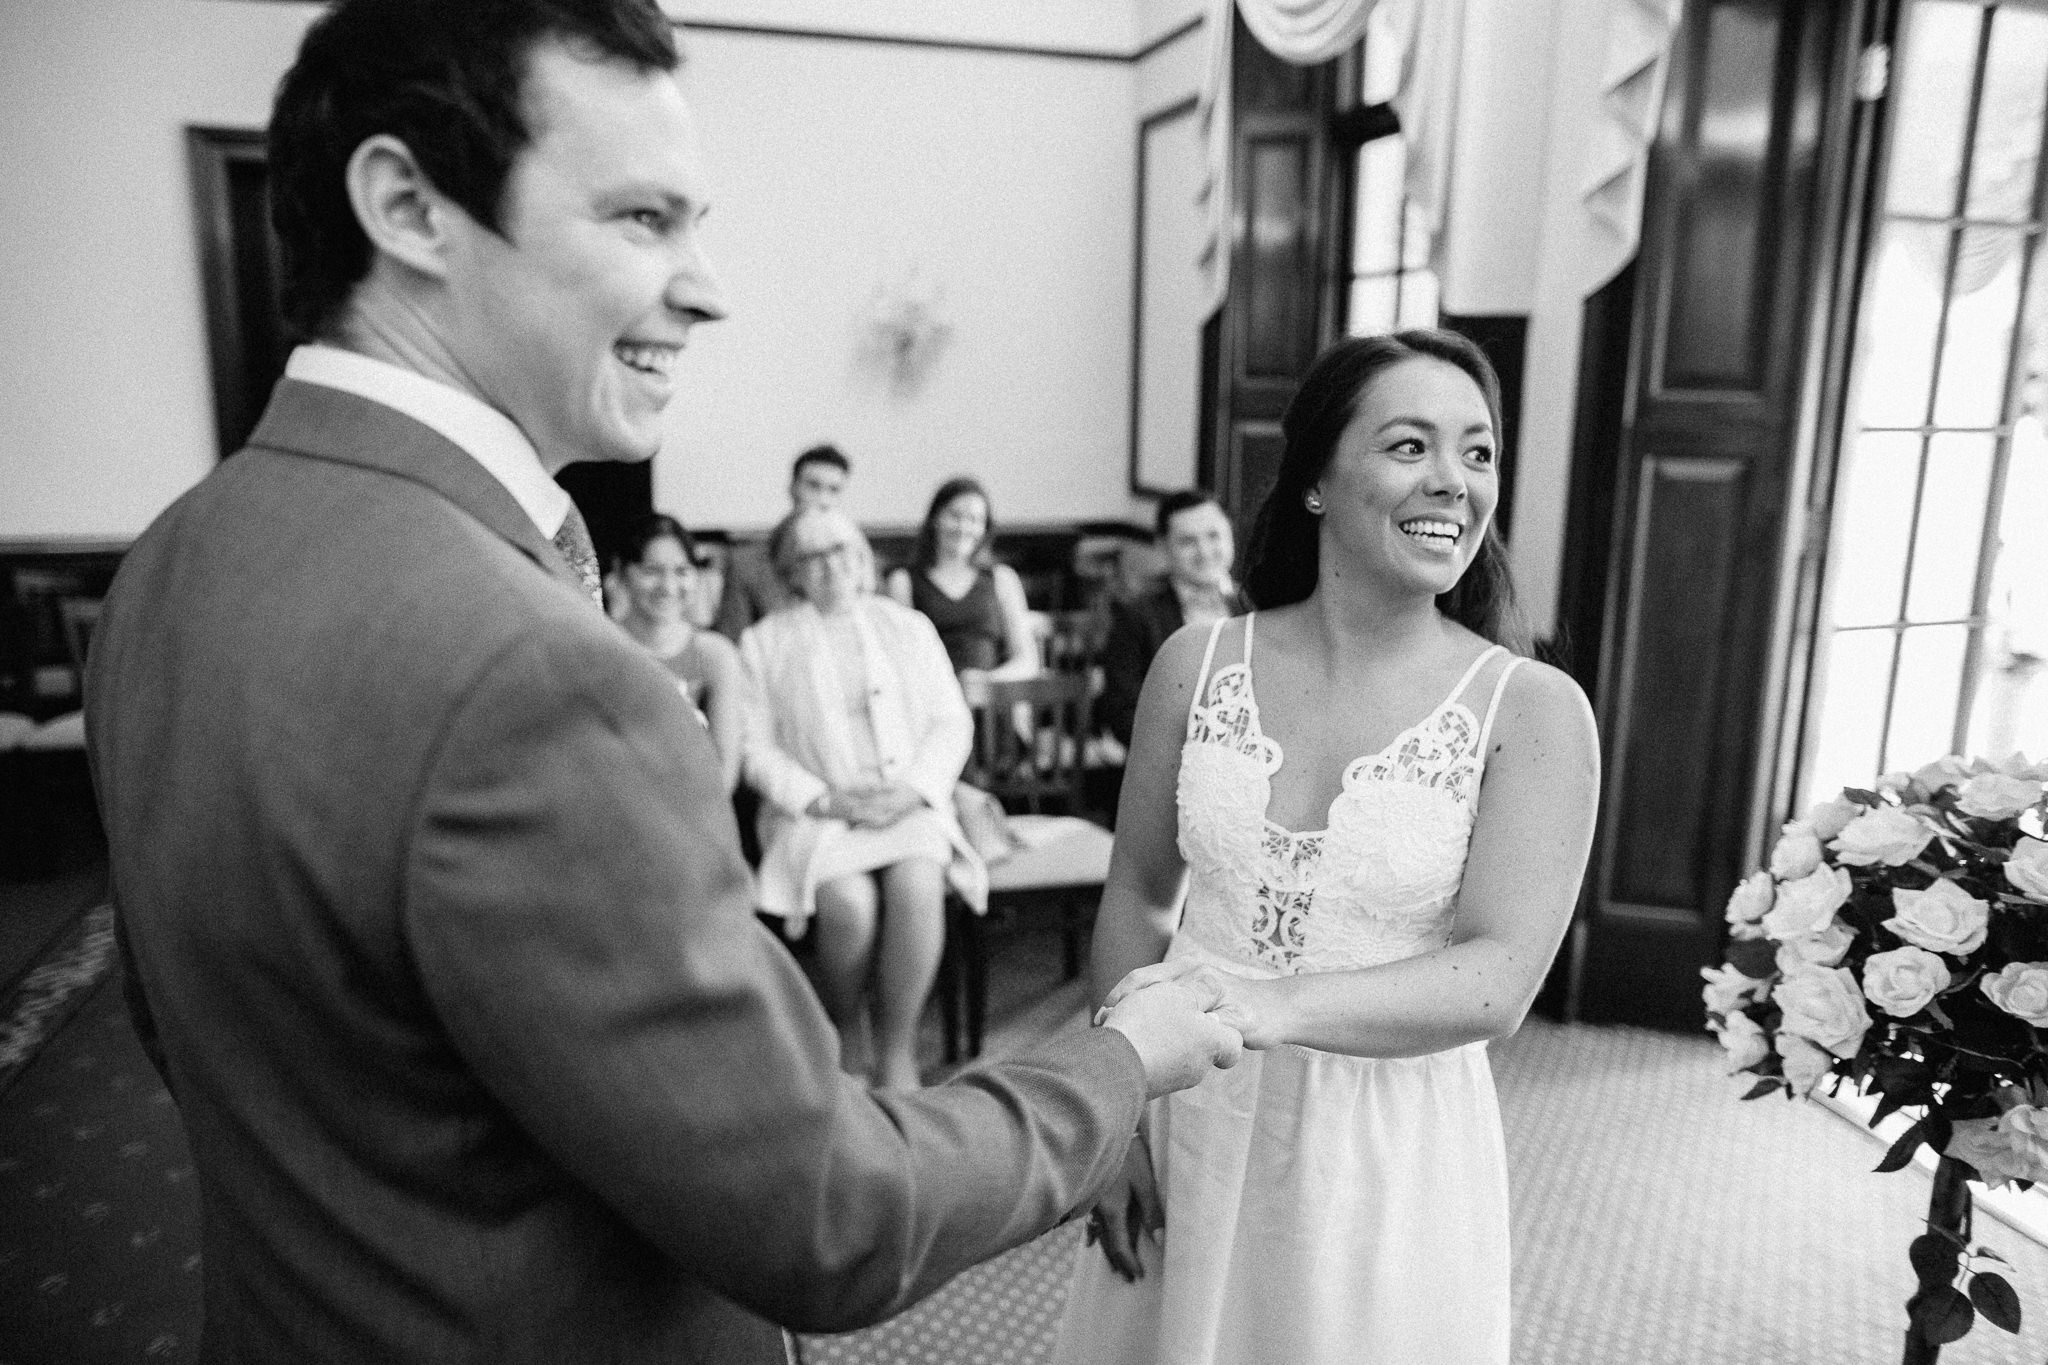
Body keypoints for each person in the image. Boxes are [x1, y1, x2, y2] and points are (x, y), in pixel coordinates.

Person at [81, 3, 1246, 1362]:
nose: (706, 286)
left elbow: (193, 1037)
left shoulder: (171, 562)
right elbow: (831, 1210)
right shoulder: (537, 671)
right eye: (643, 220)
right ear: (407, 205)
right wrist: (1120, 1059)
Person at [1052, 330, 1600, 1365]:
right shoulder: (1194, 662)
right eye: (1408, 446)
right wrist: (1115, 1105)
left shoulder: (1529, 710)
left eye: (1477, 453)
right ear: (1312, 479)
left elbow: (1498, 980)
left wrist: (1267, 1006)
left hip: (1384, 1142)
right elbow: (1134, 888)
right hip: (1183, 1104)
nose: (1452, 481)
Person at [741, 509, 980, 1090]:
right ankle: (847, 1031)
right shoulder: (764, 641)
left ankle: (898, 1047)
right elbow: (755, 748)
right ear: (791, 571)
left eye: (843, 549)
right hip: (818, 815)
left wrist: (912, 791)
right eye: (814, 556)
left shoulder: (907, 626)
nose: (833, 565)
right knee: (849, 905)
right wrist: (825, 800)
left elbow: (950, 722)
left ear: (864, 556)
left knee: (918, 881)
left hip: (905, 802)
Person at [615, 513, 749, 793]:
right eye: (651, 571)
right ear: (622, 571)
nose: (668, 587)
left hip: (696, 811)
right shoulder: (600, 645)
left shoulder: (715, 654)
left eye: (682, 571)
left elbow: (725, 775)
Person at [1099, 489, 1243, 747]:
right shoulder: (1136, 615)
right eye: (1188, 542)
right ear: (1162, 547)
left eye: (1213, 536)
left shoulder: (1259, 604)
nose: (1204, 551)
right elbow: (1122, 713)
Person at [886, 476, 1040, 682]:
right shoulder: (903, 581)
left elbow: (1027, 661)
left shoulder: (1002, 579)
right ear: (935, 519)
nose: (963, 527)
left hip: (992, 704)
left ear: (985, 528)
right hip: (932, 704)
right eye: (955, 516)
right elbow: (899, 660)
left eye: (974, 520)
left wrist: (985, 682)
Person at [713, 444, 851, 639]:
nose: (823, 500)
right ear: (793, 488)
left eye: (834, 490)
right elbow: (731, 646)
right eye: (813, 486)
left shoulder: (856, 563)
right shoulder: (746, 565)